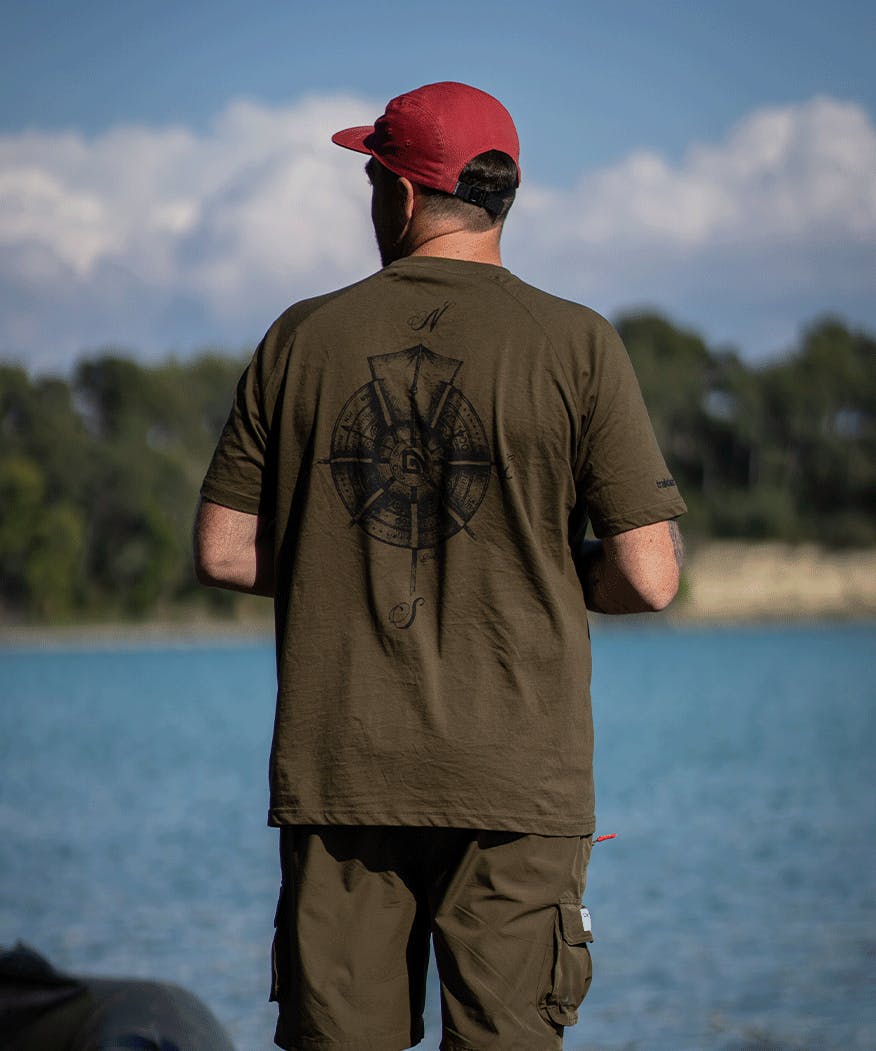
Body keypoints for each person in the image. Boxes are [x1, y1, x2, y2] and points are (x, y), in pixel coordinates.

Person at [194, 81, 686, 1051]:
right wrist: (546, 570)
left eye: (373, 177)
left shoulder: (300, 337)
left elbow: (223, 547)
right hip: (517, 782)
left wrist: (342, 559)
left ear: (405, 193)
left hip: (343, 775)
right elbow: (650, 575)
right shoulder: (577, 342)